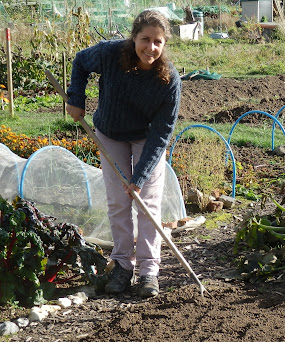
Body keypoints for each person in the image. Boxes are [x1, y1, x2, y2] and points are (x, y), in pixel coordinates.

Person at [66, 10, 182, 298]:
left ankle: (148, 271)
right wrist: (77, 99)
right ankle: (121, 265)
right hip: (110, 134)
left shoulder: (169, 81)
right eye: (145, 39)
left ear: (165, 43)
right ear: (133, 38)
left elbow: (161, 134)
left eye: (158, 41)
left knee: (147, 205)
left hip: (146, 138)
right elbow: (81, 61)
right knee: (118, 202)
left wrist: (140, 177)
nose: (150, 48)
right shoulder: (110, 54)